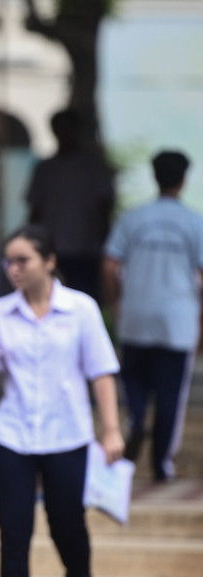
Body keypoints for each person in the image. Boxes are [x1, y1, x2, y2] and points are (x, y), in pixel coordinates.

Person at [0, 225, 124, 577]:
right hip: (13, 434)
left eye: (23, 260)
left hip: (67, 435)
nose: (13, 269)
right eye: (9, 261)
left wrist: (111, 431)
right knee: (13, 528)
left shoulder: (82, 309)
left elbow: (101, 372)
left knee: (67, 524)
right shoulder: (0, 312)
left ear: (49, 261)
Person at [103, 150, 203, 482]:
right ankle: (161, 464)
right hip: (177, 321)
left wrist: (118, 303)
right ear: (184, 179)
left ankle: (136, 419)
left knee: (133, 380)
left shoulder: (133, 218)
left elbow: (110, 265)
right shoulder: (194, 222)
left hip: (136, 315)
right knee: (171, 396)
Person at [26, 108, 115, 302]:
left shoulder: (92, 167)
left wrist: (105, 243)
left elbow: (105, 206)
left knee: (84, 300)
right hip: (52, 249)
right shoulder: (46, 169)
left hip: (86, 249)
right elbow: (35, 209)